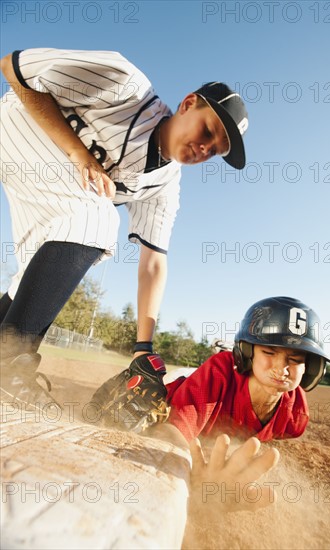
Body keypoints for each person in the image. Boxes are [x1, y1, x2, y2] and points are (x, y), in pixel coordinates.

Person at [0, 48, 248, 415]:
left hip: (48, 179)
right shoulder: (123, 83)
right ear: (189, 103)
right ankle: (9, 368)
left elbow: (153, 264)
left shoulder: (166, 184)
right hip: (19, 126)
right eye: (208, 130)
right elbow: (12, 67)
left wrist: (142, 348)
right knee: (97, 220)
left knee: (38, 272)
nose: (204, 148)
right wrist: (78, 153)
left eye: (215, 151)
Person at [165, 296, 330, 442]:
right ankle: (225, 349)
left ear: (312, 368)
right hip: (187, 379)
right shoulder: (218, 372)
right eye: (269, 352)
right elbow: (173, 434)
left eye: (295, 359)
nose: (281, 369)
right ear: (246, 353)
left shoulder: (296, 417)